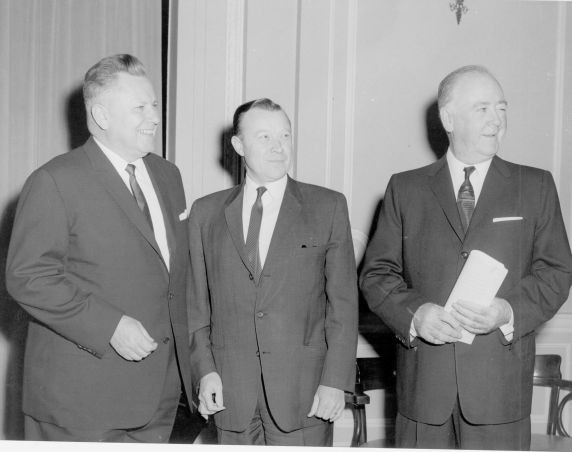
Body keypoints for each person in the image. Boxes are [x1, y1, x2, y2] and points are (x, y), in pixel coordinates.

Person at [360, 65, 572, 450]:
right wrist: (415, 315)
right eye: (483, 109)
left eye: (502, 108)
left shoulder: (536, 185)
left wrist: (507, 311)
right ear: (448, 118)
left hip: (499, 392)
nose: (497, 120)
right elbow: (376, 274)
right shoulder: (405, 188)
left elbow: (556, 272)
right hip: (424, 391)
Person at [6, 54, 194, 442]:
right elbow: (28, 277)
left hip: (158, 400)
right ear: (102, 116)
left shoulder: (167, 175)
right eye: (140, 108)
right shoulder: (55, 180)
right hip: (81, 404)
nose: (154, 118)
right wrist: (109, 326)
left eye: (154, 105)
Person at [188, 98, 358, 446]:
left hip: (305, 394)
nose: (278, 146)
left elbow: (343, 306)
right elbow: (196, 308)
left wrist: (335, 381)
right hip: (230, 395)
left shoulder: (328, 207)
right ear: (238, 145)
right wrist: (205, 372)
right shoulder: (206, 214)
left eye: (285, 135)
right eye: (264, 137)